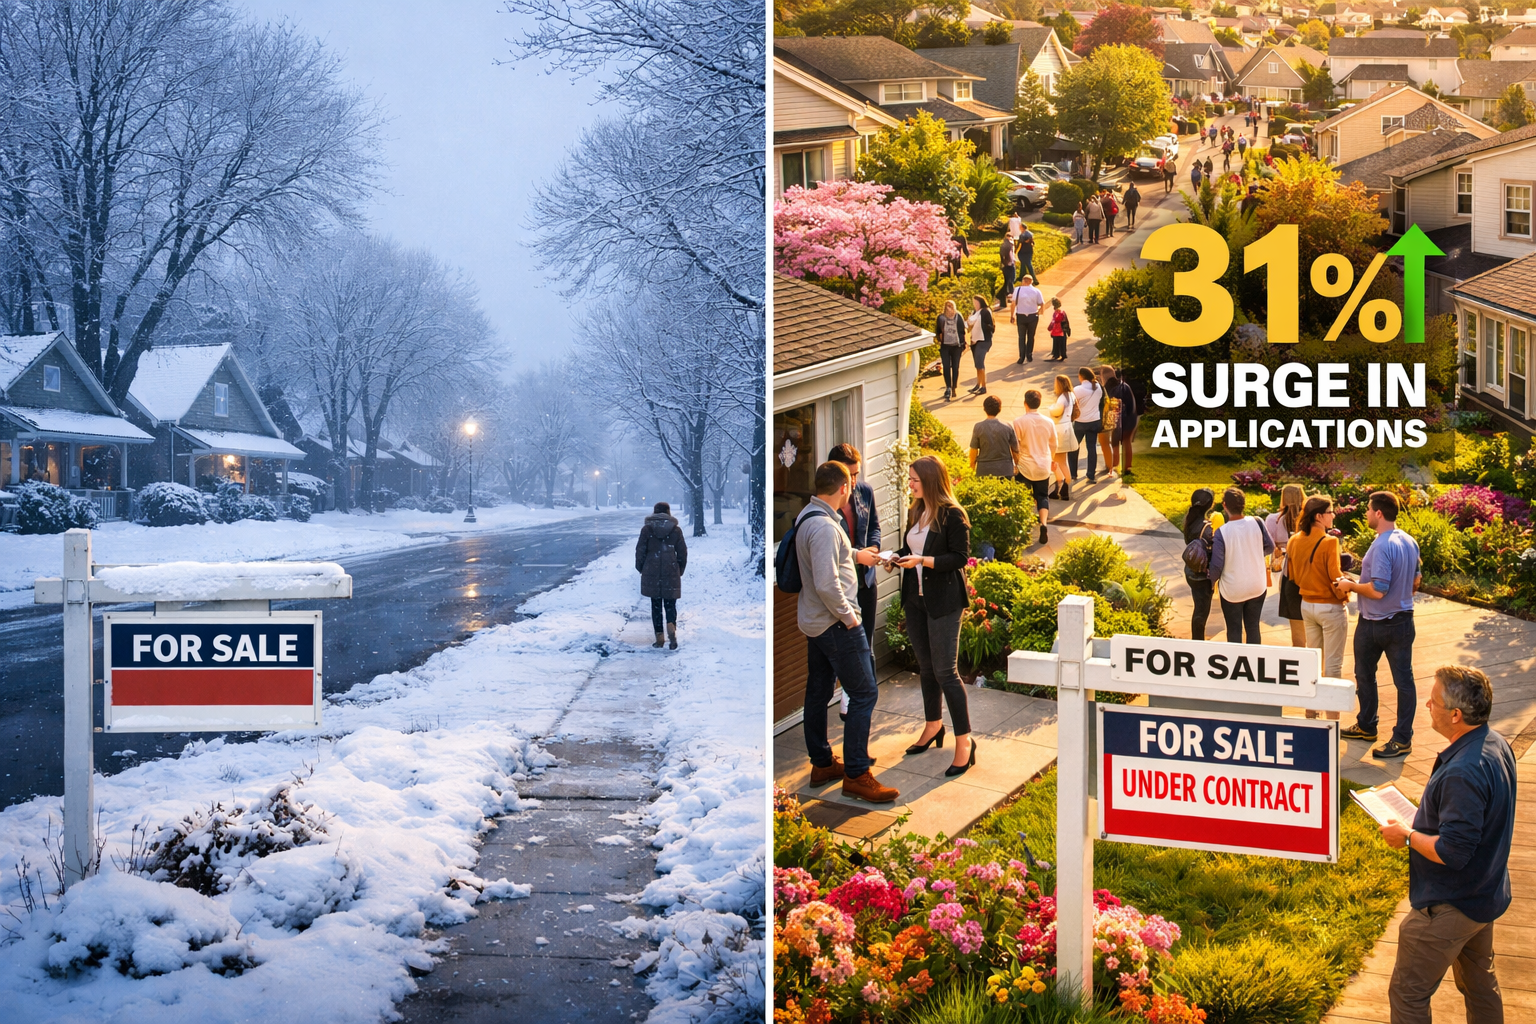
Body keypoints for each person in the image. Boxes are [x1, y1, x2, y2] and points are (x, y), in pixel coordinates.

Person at [1380, 666, 1515, 1024]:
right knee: (1480, 986)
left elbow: (1452, 852)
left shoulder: (1463, 772)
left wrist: (1407, 835)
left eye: (1434, 701)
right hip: (1484, 894)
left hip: (1448, 907)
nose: (1426, 704)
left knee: (1408, 995)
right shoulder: (1495, 743)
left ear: (1455, 715)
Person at [795, 460, 897, 803]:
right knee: (865, 693)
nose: (854, 486)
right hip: (836, 624)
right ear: (843, 488)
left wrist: (858, 555)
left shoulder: (810, 515)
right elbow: (827, 584)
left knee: (818, 691)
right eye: (851, 482)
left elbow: (829, 558)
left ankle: (822, 763)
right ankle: (856, 773)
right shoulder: (825, 527)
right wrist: (851, 619)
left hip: (816, 623)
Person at [888, 456, 976, 776]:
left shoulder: (954, 515)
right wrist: (894, 559)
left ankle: (964, 742)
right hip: (915, 600)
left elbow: (960, 558)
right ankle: (933, 725)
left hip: (944, 602)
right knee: (926, 668)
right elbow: (908, 548)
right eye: (909, 479)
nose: (909, 485)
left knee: (945, 672)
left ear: (930, 481)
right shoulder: (917, 510)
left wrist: (922, 561)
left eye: (914, 480)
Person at [1337, 491, 1422, 759]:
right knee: (1369, 675)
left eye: (1368, 510)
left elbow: (1378, 590)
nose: (1365, 514)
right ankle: (1366, 726)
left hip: (1383, 624)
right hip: (1394, 621)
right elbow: (1415, 583)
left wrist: (1349, 585)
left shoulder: (1384, 545)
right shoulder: (1409, 541)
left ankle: (1401, 740)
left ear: (1379, 514)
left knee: (1396, 681)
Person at [827, 444, 882, 724]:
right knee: (847, 646)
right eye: (848, 476)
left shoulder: (865, 491)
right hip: (841, 585)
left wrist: (873, 548)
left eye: (857, 474)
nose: (853, 481)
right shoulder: (825, 506)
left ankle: (863, 706)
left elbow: (874, 525)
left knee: (866, 644)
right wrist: (855, 556)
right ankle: (849, 693)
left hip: (866, 581)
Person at [1288, 495, 1346, 721]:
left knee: (1313, 661)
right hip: (1329, 607)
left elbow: (1292, 575)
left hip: (1307, 605)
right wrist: (1346, 590)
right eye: (1330, 511)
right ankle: (1333, 719)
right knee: (1333, 666)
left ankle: (1311, 712)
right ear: (1319, 516)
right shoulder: (1330, 542)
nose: (1333, 515)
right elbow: (1335, 578)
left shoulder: (1294, 541)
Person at [1208, 487, 1273, 644]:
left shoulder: (1222, 532)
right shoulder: (1257, 522)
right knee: (1253, 627)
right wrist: (1253, 555)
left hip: (1233, 590)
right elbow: (1270, 547)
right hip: (1257, 585)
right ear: (1243, 504)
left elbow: (1217, 565)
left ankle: (1236, 665)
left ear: (1224, 505)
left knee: (1234, 629)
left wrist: (1209, 583)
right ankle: (1254, 663)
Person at [636, 501, 688, 649]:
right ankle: (671, 626)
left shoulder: (647, 529)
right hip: (670, 568)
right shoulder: (676, 530)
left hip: (651, 569)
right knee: (670, 603)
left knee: (656, 604)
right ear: (668, 512)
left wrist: (641, 568)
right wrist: (679, 569)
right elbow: (683, 553)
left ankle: (659, 637)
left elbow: (640, 551)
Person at [1266, 483, 1308, 649]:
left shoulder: (1273, 519)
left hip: (1287, 572)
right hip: (1308, 570)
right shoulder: (1308, 520)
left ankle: (1300, 651)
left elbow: (1269, 545)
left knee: (1295, 618)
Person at [1013, 389, 1055, 545]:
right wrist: (1052, 459)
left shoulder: (1018, 422)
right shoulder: (1048, 422)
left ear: (1025, 403)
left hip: (1025, 465)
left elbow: (1015, 446)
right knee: (1043, 496)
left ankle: (1022, 527)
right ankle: (1043, 524)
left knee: (1022, 497)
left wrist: (1015, 463)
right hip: (1043, 466)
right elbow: (1054, 444)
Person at [1183, 488, 1217, 641]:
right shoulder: (1207, 528)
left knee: (1198, 607)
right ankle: (1198, 642)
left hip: (1191, 570)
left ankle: (1197, 639)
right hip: (1202, 575)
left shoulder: (1189, 520)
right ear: (1210, 504)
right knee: (1201, 612)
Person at [1069, 366, 1105, 485]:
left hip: (1080, 422)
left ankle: (1072, 473)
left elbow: (1072, 403)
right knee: (1092, 448)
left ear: (1081, 376)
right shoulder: (1098, 387)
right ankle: (1091, 475)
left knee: (1074, 447)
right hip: (1094, 421)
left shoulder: (1078, 389)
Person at [969, 394, 1018, 480]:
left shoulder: (978, 427)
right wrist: (1017, 465)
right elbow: (1015, 451)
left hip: (984, 470)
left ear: (984, 409)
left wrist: (972, 465)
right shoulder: (1007, 427)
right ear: (1000, 409)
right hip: (1005, 469)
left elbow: (973, 450)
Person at [1104, 365, 1139, 474]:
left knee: (1114, 443)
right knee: (1126, 442)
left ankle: (1113, 465)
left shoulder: (1106, 389)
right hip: (1129, 419)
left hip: (1116, 420)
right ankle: (1127, 468)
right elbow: (1131, 405)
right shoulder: (1125, 386)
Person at [1048, 374, 1076, 500]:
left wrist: (1051, 408)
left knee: (1055, 461)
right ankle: (1064, 487)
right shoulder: (1071, 395)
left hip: (1060, 430)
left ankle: (1061, 484)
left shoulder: (1062, 398)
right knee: (1063, 462)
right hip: (1068, 427)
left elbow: (1056, 412)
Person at [1009, 276, 1044, 363]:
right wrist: (1039, 311)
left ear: (1023, 281)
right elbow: (1042, 303)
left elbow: (1013, 304)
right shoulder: (1036, 291)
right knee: (1031, 336)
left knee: (1021, 337)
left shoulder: (1017, 289)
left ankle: (1021, 357)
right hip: (1033, 316)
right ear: (1031, 281)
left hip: (1021, 316)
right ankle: (1029, 354)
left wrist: (1012, 315)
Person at [936, 299, 966, 401]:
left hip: (956, 346)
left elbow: (962, 331)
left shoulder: (958, 316)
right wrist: (940, 339)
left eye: (951, 306)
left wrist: (963, 343)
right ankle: (948, 387)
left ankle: (954, 387)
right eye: (947, 306)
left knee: (955, 367)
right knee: (946, 367)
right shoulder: (941, 318)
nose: (949, 308)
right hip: (945, 346)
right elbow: (938, 330)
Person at [966, 294, 995, 394]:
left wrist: (984, 326)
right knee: (977, 365)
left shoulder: (985, 311)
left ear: (980, 302)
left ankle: (984, 386)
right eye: (973, 302)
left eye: (976, 302)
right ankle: (978, 384)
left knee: (980, 363)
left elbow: (991, 326)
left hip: (983, 341)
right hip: (974, 341)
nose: (975, 304)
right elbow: (969, 323)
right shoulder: (975, 312)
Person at [997, 228, 1017, 309]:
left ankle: (1003, 295)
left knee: (1010, 280)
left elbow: (1012, 254)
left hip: (1011, 264)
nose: (1010, 238)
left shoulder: (1011, 244)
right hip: (1007, 265)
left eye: (1011, 236)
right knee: (1009, 281)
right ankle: (1005, 294)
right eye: (1009, 237)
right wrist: (1005, 263)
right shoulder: (1006, 245)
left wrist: (1014, 260)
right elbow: (1003, 255)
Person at [1047, 294, 1070, 361]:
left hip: (1056, 330)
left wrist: (1050, 327)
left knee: (1056, 342)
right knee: (1062, 343)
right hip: (1062, 330)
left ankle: (1056, 354)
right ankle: (1063, 354)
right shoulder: (1062, 312)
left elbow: (1053, 321)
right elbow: (1066, 321)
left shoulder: (1055, 313)